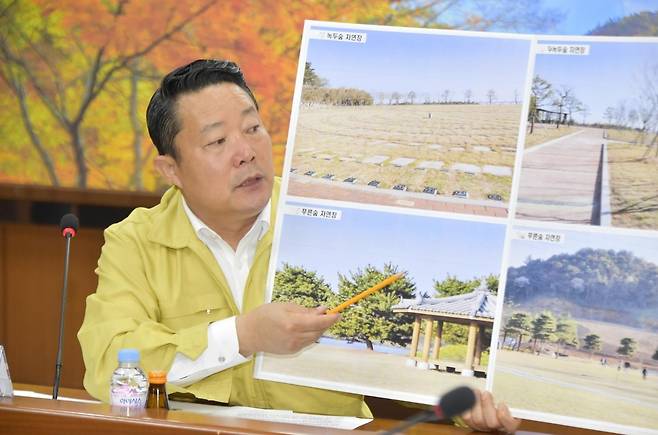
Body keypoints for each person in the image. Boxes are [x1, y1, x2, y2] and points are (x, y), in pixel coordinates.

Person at [78, 59, 520, 433]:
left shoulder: (332, 217)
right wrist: (242, 335)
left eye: (253, 128)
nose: (246, 151)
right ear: (170, 169)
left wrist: (469, 411)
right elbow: (107, 366)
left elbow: (402, 368)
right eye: (217, 141)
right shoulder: (135, 241)